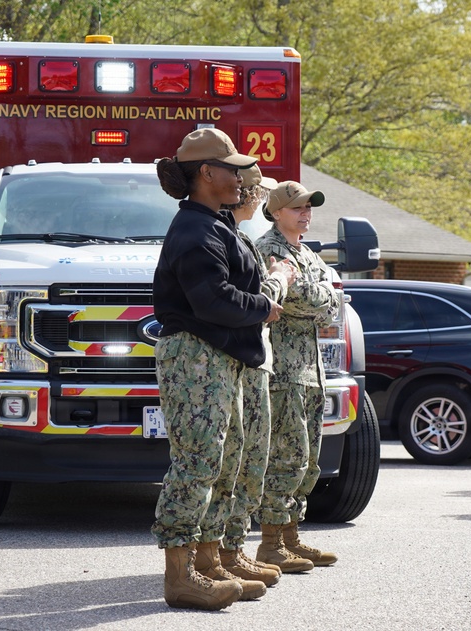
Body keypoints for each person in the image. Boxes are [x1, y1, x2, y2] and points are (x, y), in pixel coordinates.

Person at [150, 128, 288, 610]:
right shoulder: (194, 231)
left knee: (224, 460)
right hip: (194, 357)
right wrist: (264, 306)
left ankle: (209, 561)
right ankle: (180, 576)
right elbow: (212, 300)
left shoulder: (215, 225)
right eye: (232, 169)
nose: (242, 177)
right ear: (207, 173)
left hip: (216, 356)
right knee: (197, 463)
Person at [216, 166, 304, 584]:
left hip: (256, 360)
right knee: (235, 462)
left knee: (250, 462)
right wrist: (279, 280)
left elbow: (325, 300)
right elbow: (243, 301)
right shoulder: (236, 239)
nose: (260, 199)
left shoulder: (239, 238)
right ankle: (220, 555)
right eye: (259, 193)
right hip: (242, 363)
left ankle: (232, 550)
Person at [255, 181, 341, 571]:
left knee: (308, 461)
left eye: (309, 207)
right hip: (283, 372)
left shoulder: (307, 253)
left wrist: (323, 296)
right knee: (287, 457)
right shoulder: (268, 250)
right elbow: (296, 299)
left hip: (311, 370)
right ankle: (271, 543)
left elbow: (332, 303)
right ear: (275, 212)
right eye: (297, 207)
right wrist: (323, 296)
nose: (305, 213)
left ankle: (291, 537)